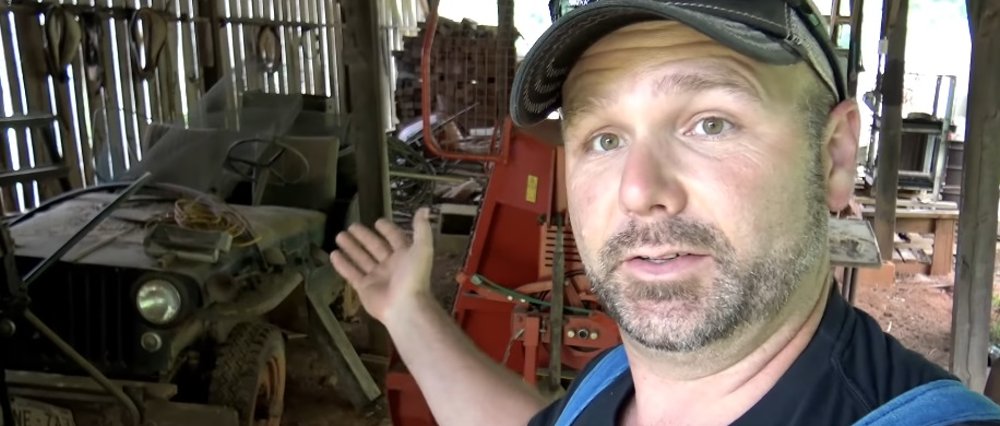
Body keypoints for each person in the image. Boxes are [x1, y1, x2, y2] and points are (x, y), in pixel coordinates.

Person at [330, 1, 1000, 425]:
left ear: (832, 157)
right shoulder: (616, 382)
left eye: (709, 123)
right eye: (605, 138)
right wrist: (408, 312)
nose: (637, 190)